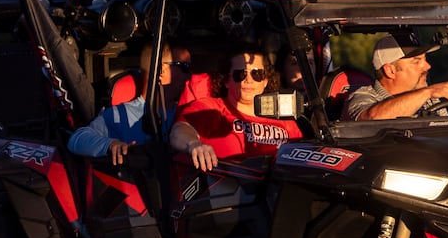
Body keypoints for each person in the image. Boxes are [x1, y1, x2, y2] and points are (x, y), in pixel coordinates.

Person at [68, 40, 203, 166]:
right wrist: (112, 144)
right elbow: (77, 140)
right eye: (185, 67)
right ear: (160, 71)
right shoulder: (119, 115)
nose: (189, 75)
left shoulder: (186, 115)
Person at [169, 45, 302, 162]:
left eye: (257, 74)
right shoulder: (212, 108)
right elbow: (179, 130)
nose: (248, 80)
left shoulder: (284, 118)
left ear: (266, 80)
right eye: (240, 74)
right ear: (227, 80)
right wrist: (193, 144)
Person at [344, 33, 448, 120]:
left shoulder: (430, 100)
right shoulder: (361, 97)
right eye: (416, 61)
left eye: (425, 60)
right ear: (390, 71)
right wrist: (428, 92)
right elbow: (372, 119)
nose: (427, 66)